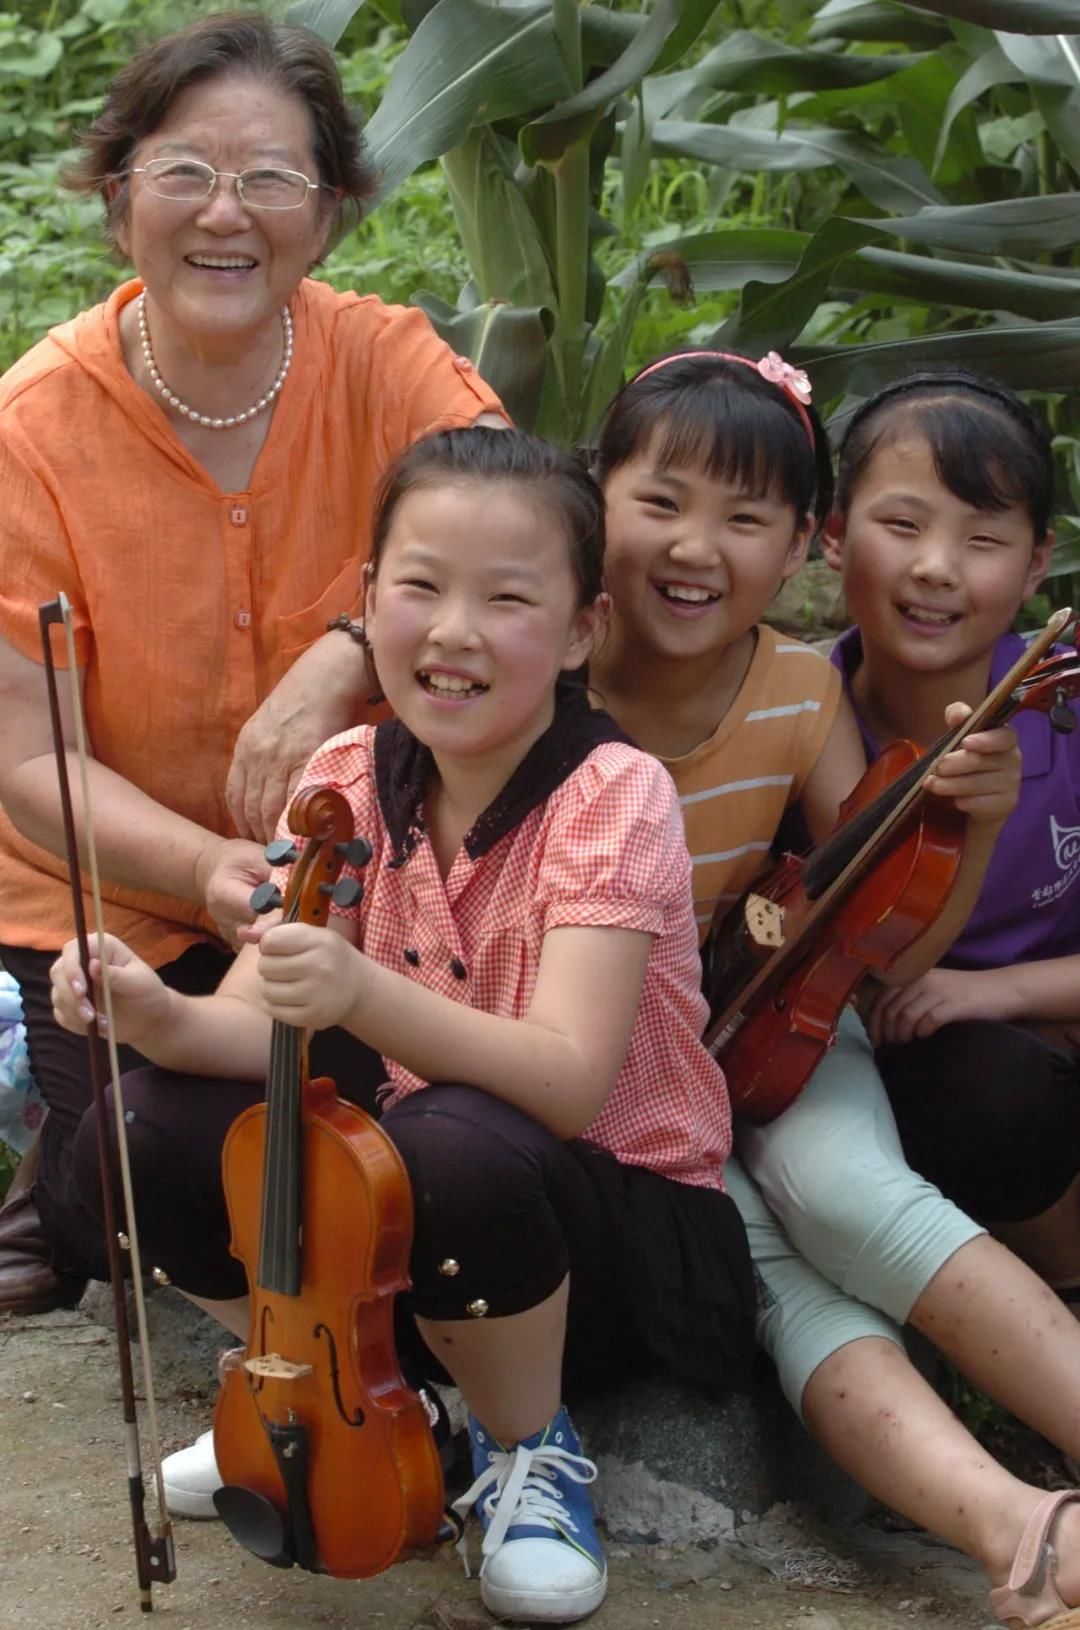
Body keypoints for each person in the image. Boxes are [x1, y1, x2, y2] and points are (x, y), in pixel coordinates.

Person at [51, 428, 757, 1625]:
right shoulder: (344, 772)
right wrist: (153, 1011)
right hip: (413, 1230)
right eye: (421, 586)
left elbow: (571, 1086)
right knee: (142, 1130)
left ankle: (525, 1445)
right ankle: (355, 1390)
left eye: (508, 598)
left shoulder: (612, 792)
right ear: (371, 599)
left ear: (583, 628)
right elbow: (248, 1029)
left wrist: (366, 996)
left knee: (452, 1137)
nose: (455, 631)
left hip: (604, 1239)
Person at [0, 10, 505, 1316]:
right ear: (119, 201)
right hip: (107, 895)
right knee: (133, 1180)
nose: (225, 214)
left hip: (354, 886)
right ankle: (56, 1155)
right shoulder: (29, 430)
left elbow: (533, 523)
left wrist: (345, 654)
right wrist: (213, 867)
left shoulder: (387, 365)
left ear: (328, 214)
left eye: (271, 177)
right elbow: (31, 760)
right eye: (184, 172)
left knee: (340, 1116)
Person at [588, 350, 1080, 1627]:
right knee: (769, 1265)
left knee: (846, 1191)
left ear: (798, 540)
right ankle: (1018, 1534)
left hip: (779, 1030)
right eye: (664, 502)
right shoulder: (546, 664)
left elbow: (875, 947)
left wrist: (965, 827)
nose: (700, 547)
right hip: (600, 1056)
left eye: (745, 518)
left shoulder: (801, 693)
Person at [822, 371, 1080, 1307]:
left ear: (1038, 563)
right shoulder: (798, 718)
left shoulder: (1069, 705)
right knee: (981, 1091)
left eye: (982, 540)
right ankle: (1062, 1279)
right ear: (831, 531)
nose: (937, 567)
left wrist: (996, 990)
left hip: (1033, 1009)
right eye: (901, 527)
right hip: (934, 1063)